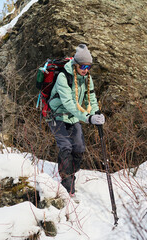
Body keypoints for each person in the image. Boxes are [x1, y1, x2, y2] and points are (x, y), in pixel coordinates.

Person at [48, 44, 105, 196]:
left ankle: (70, 174)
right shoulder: (63, 77)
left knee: (79, 148)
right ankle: (67, 186)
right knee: (66, 147)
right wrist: (88, 118)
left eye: (89, 67)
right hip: (57, 115)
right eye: (83, 66)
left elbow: (91, 98)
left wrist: (96, 113)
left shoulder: (87, 78)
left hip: (73, 117)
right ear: (76, 64)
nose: (86, 70)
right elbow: (69, 104)